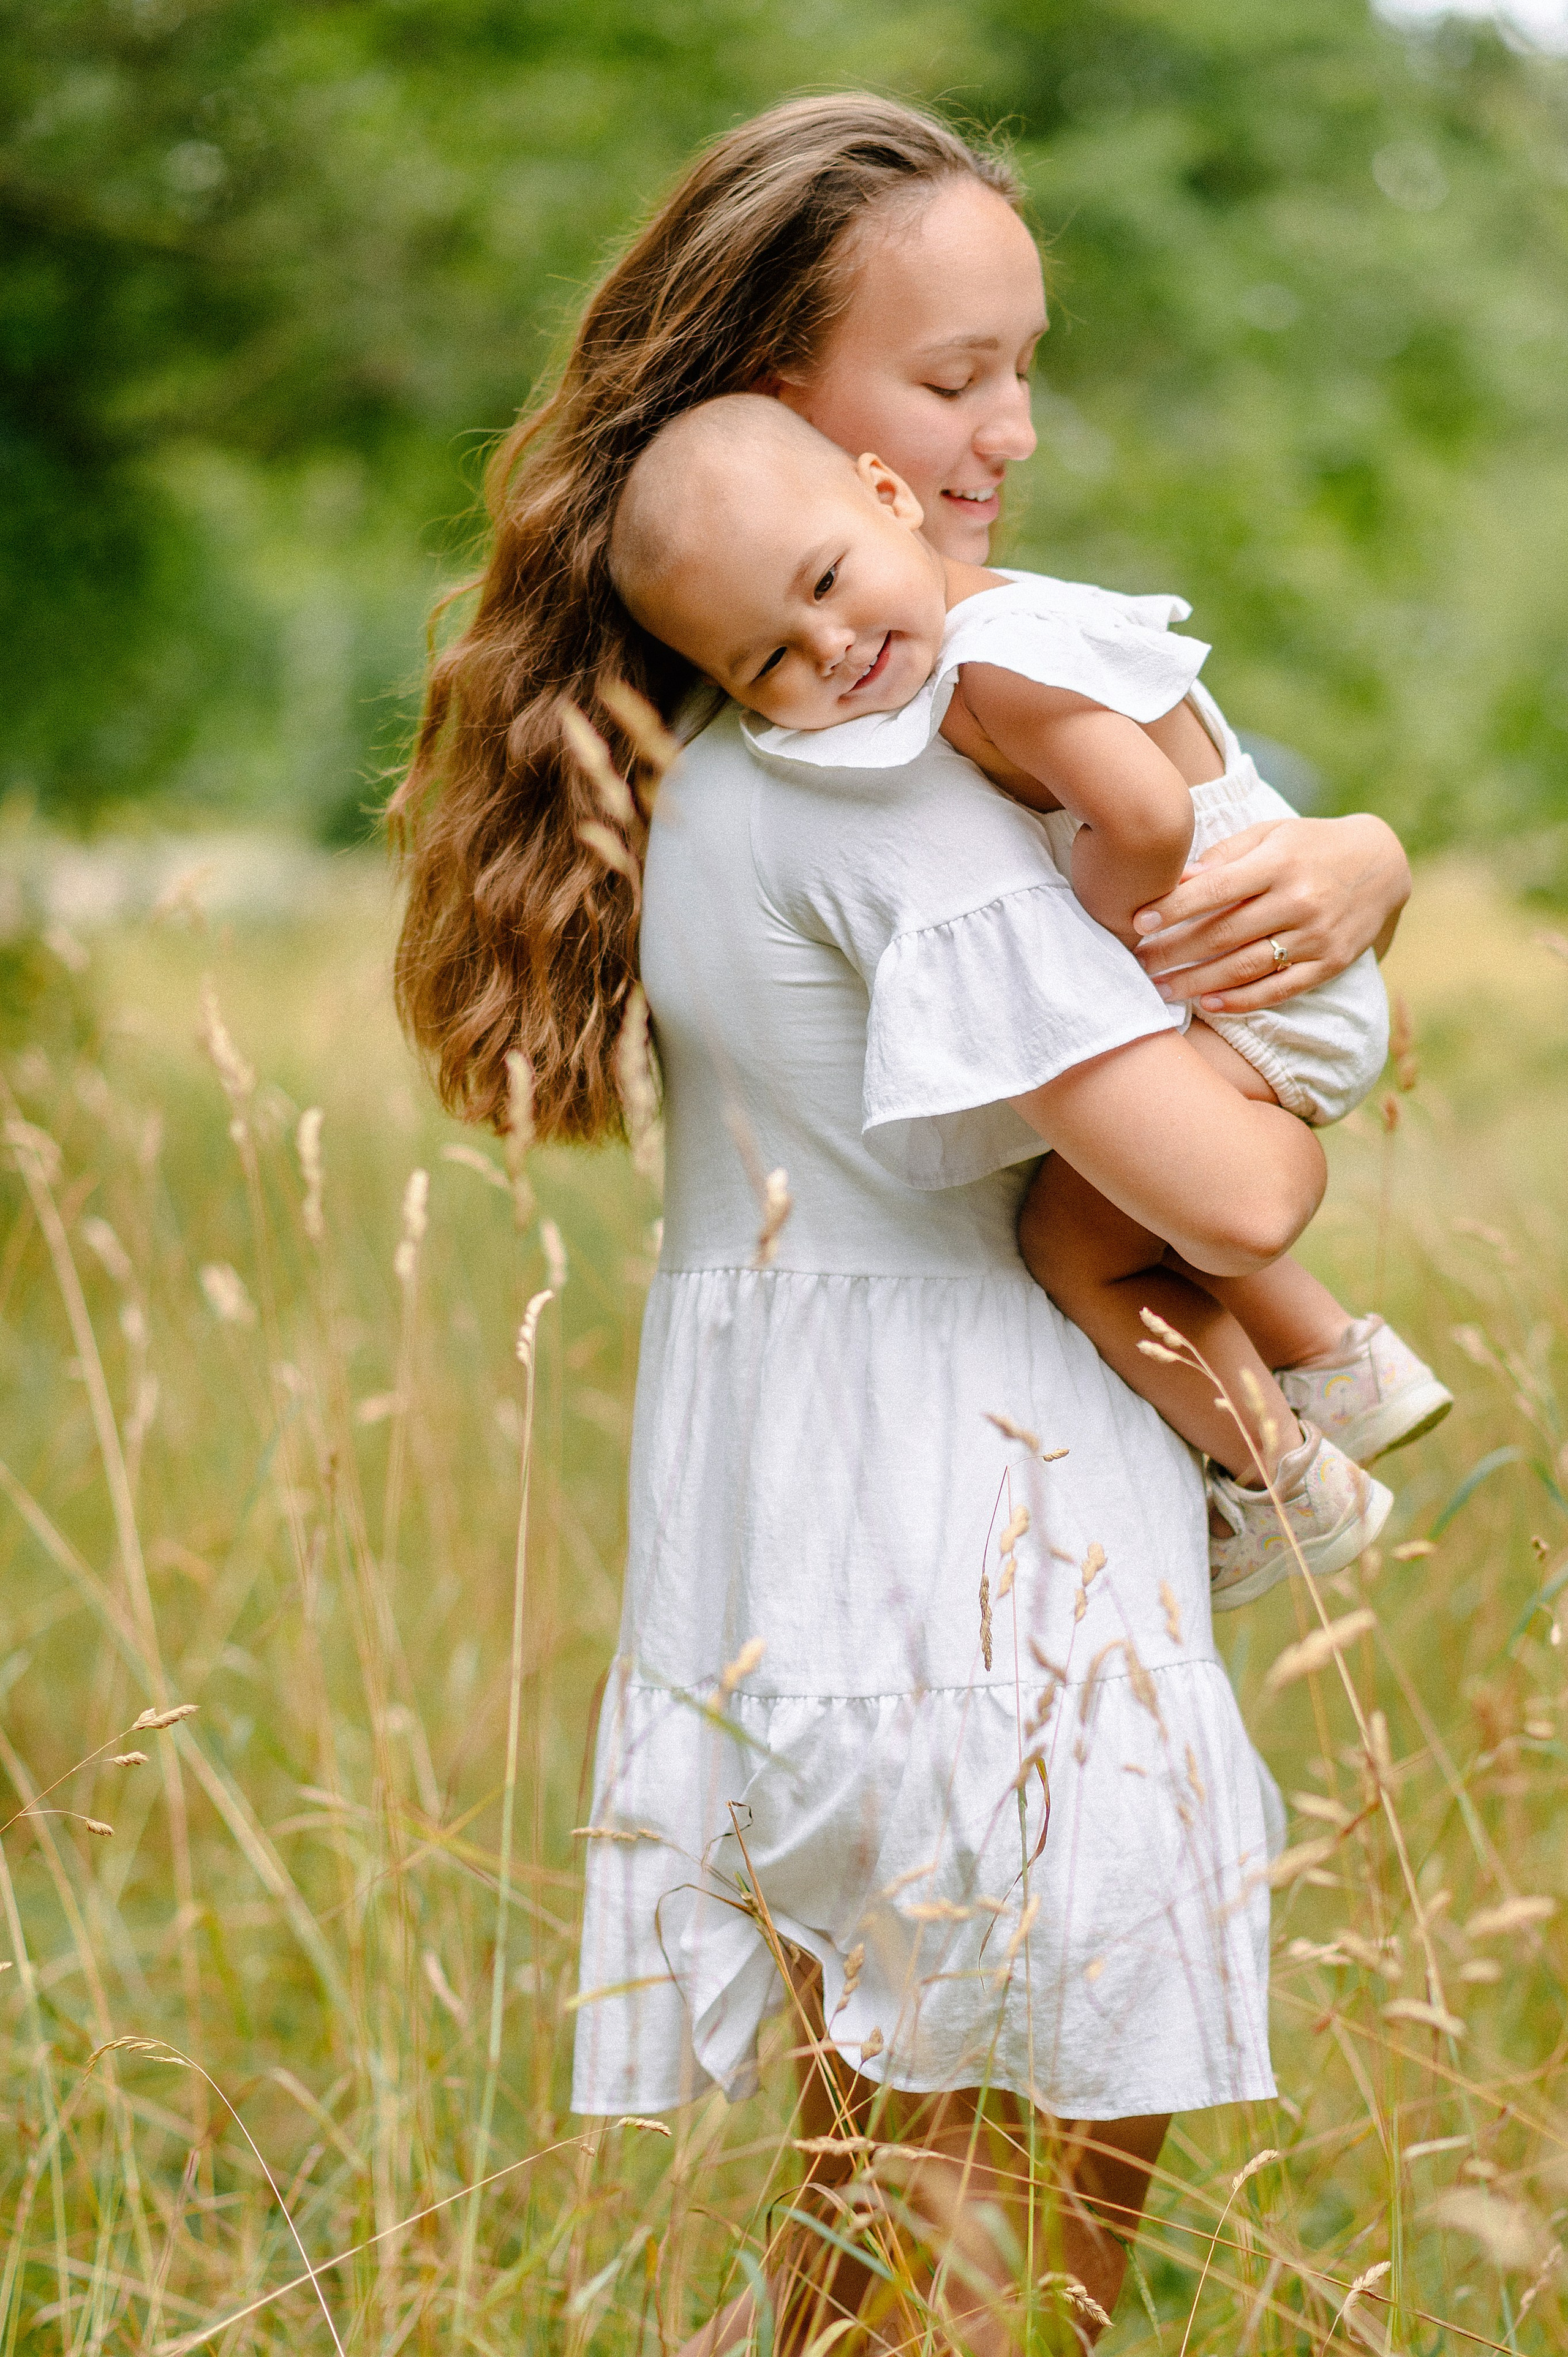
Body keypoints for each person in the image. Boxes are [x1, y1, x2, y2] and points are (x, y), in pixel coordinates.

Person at [390, 95, 1418, 2352]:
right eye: (954, 379)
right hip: (980, 1567)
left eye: (1021, 368)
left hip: (841, 1539)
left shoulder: (748, 749)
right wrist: (1348, 917)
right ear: (788, 402)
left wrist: (1359, 862)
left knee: (873, 2236)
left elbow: (1215, 940)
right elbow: (1242, 1173)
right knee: (1006, 2264)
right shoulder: (885, 791)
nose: (1009, 434)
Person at [607, 394, 1452, 1607]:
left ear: (886, 496)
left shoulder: (989, 670)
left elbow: (1146, 819)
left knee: (1075, 1245)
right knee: (1116, 1205)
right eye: (769, 662)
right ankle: (1339, 1365)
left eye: (828, 581)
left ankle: (1283, 1481)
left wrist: (1106, 937)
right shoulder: (1011, 626)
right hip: (1271, 986)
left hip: (1250, 994)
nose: (829, 644)